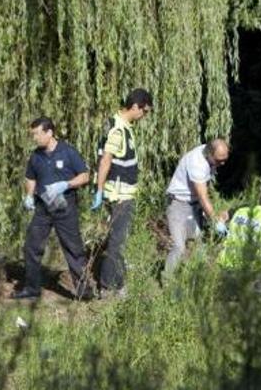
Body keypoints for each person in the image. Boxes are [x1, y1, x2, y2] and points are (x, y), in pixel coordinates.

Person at [13, 117, 92, 300]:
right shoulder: (36, 156)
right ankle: (32, 288)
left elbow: (85, 176)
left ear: (49, 133)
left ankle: (84, 292)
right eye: (33, 134)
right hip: (42, 208)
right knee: (31, 247)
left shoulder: (68, 152)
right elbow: (30, 178)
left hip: (64, 206)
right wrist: (28, 195)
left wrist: (66, 184)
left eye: (37, 134)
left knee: (73, 249)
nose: (34, 138)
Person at [91, 88, 153, 298]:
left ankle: (117, 282)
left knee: (119, 240)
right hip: (119, 196)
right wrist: (99, 189)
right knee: (117, 241)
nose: (144, 116)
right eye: (144, 111)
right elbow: (106, 159)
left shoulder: (121, 124)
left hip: (121, 194)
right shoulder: (118, 129)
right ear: (135, 106)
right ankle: (108, 287)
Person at [164, 138, 230, 275]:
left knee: (199, 244)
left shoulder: (209, 156)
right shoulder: (197, 163)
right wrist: (215, 220)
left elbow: (205, 190)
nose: (222, 163)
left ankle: (199, 277)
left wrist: (210, 212)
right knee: (179, 247)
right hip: (178, 205)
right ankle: (167, 282)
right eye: (219, 160)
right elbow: (202, 196)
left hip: (194, 205)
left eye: (225, 159)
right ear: (210, 154)